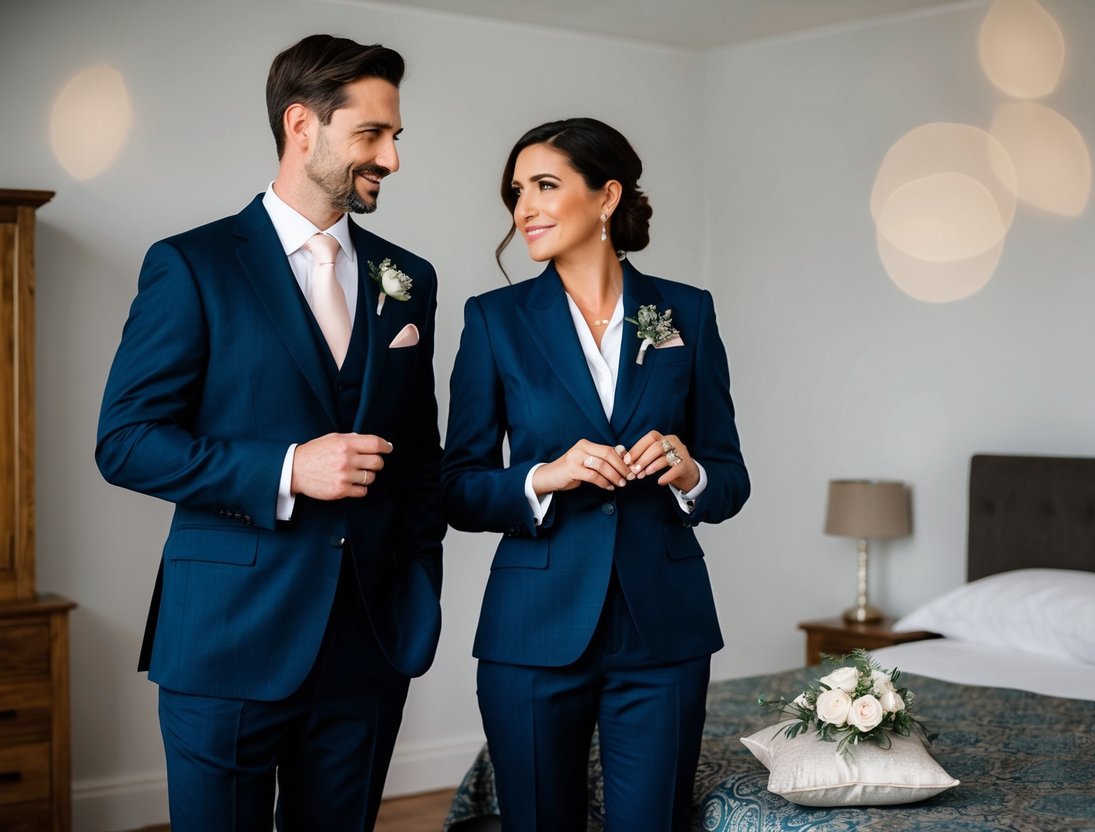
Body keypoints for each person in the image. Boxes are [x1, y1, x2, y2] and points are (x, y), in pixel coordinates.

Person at [95, 34, 443, 831]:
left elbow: (418, 457)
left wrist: (416, 593)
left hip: (365, 646)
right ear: (301, 125)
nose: (390, 157)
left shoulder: (408, 278)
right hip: (226, 639)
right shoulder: (194, 265)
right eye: (371, 134)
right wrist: (288, 467)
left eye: (395, 137)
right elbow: (126, 439)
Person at [442, 117, 749, 831]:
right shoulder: (494, 321)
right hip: (532, 631)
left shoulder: (687, 314)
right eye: (516, 192)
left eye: (544, 186)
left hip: (663, 631)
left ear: (606, 196)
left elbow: (730, 477)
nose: (524, 208)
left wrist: (689, 471)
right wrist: (541, 477)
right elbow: (457, 484)